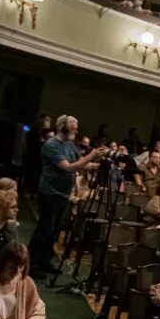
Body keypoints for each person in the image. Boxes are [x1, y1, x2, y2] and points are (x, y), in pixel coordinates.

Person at [28, 115, 106, 275]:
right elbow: (69, 167)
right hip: (50, 192)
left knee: (55, 231)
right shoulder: (51, 145)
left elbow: (82, 165)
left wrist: (100, 165)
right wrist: (91, 155)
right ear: (63, 126)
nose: (76, 130)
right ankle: (32, 264)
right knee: (44, 230)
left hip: (63, 193)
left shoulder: (70, 144)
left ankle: (45, 261)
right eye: (73, 127)